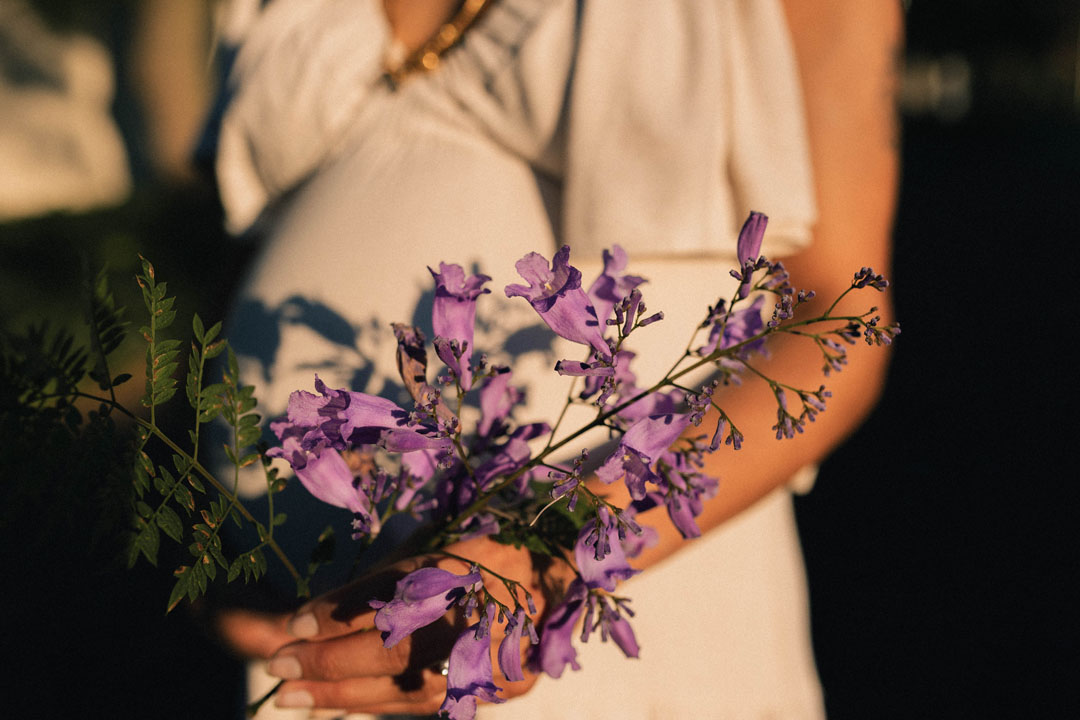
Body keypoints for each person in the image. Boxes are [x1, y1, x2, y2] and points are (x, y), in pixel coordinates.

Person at [210, 0, 901, 717]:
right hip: (323, 650)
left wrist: (552, 552)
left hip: (596, 607)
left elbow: (845, 316)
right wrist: (224, 532)